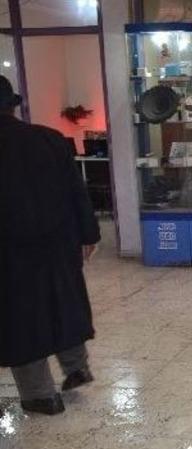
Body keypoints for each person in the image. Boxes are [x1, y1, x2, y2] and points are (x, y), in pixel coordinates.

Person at [0, 75, 100, 415]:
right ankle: (77, 367)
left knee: (19, 318)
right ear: (12, 107)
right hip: (59, 242)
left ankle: (41, 394)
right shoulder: (50, 139)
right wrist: (89, 235)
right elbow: (77, 192)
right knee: (64, 303)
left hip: (10, 251)